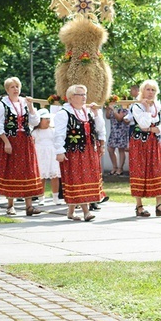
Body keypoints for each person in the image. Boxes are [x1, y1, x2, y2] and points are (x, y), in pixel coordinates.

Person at [54, 85, 105, 222]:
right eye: (80, 95)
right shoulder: (63, 113)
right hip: (74, 152)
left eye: (85, 94)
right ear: (71, 98)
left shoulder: (88, 112)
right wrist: (59, 151)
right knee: (78, 180)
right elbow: (58, 134)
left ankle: (70, 212)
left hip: (89, 151)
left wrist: (96, 114)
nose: (84, 97)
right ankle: (86, 212)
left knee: (85, 179)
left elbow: (99, 128)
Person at [0, 77, 43, 217]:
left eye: (17, 86)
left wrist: (32, 107)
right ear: (7, 90)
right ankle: (10, 205)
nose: (15, 89)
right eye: (12, 87)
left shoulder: (25, 103)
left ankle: (29, 207)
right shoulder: (2, 104)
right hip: (10, 140)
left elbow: (35, 121)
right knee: (12, 171)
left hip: (25, 141)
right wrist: (6, 142)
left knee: (28, 170)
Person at [128, 80, 161, 217]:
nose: (150, 92)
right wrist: (146, 109)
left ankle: (159, 205)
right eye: (148, 89)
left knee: (157, 170)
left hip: (154, 143)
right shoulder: (136, 106)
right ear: (142, 91)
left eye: (153, 90)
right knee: (139, 170)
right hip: (139, 143)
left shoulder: (159, 107)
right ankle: (139, 206)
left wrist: (154, 129)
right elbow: (143, 124)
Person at [32, 109, 62, 205]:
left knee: (55, 176)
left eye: (49, 118)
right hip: (40, 155)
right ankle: (41, 198)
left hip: (52, 155)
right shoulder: (35, 132)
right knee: (42, 176)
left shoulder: (53, 131)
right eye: (45, 119)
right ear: (40, 120)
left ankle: (55, 198)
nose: (48, 121)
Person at [105, 104, 129, 176]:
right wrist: (108, 109)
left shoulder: (123, 107)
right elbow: (108, 117)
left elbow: (119, 118)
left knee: (121, 150)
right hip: (113, 131)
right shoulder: (114, 106)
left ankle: (120, 168)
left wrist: (113, 109)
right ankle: (114, 167)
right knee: (110, 149)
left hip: (121, 131)